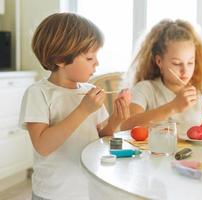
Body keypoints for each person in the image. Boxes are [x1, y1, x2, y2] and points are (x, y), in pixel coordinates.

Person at [19, 13, 129, 200]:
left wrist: (117, 119)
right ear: (60, 59)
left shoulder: (90, 91)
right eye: (89, 58)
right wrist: (83, 110)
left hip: (88, 189)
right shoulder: (38, 93)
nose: (97, 63)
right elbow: (43, 146)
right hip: (53, 193)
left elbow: (101, 137)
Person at [121, 19, 202, 131]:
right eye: (177, 63)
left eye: (190, 62)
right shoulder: (146, 89)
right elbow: (126, 125)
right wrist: (173, 107)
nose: (185, 70)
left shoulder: (201, 92)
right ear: (159, 61)